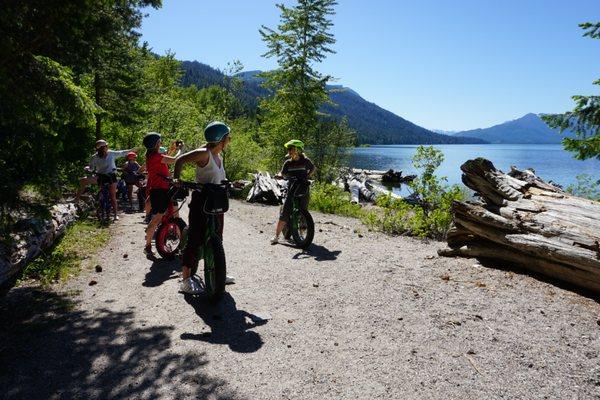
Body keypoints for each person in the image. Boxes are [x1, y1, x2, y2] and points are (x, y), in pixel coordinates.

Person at [173, 121, 234, 295]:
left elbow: (217, 177)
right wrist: (177, 179)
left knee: (217, 236)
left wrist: (230, 183)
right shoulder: (203, 153)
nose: (229, 140)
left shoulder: (218, 155)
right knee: (195, 238)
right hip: (202, 199)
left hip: (217, 199)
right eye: (227, 137)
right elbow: (180, 160)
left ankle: (218, 273)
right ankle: (185, 280)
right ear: (220, 139)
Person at [142, 132, 183, 257]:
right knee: (156, 219)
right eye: (159, 141)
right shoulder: (155, 157)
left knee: (175, 213)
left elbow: (165, 159)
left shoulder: (152, 156)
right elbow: (175, 160)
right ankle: (148, 246)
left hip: (164, 189)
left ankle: (179, 241)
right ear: (156, 144)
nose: (161, 142)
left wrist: (172, 149)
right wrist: (181, 150)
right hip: (159, 191)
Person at [75, 139, 135, 221]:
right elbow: (91, 168)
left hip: (111, 176)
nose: (107, 147)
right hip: (100, 176)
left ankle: (115, 215)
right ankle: (76, 199)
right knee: (83, 180)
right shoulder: (94, 157)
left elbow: (122, 152)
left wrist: (131, 150)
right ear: (102, 148)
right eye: (106, 146)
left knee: (112, 196)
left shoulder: (111, 153)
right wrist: (87, 168)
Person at [271, 139, 315, 244]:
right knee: (285, 212)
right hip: (292, 188)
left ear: (298, 150)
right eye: (289, 149)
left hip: (303, 187)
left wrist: (308, 176)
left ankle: (302, 235)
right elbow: (283, 173)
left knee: (303, 211)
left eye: (291, 149)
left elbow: (313, 168)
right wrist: (280, 176)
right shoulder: (288, 163)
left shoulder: (305, 161)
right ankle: (276, 236)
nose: (289, 151)